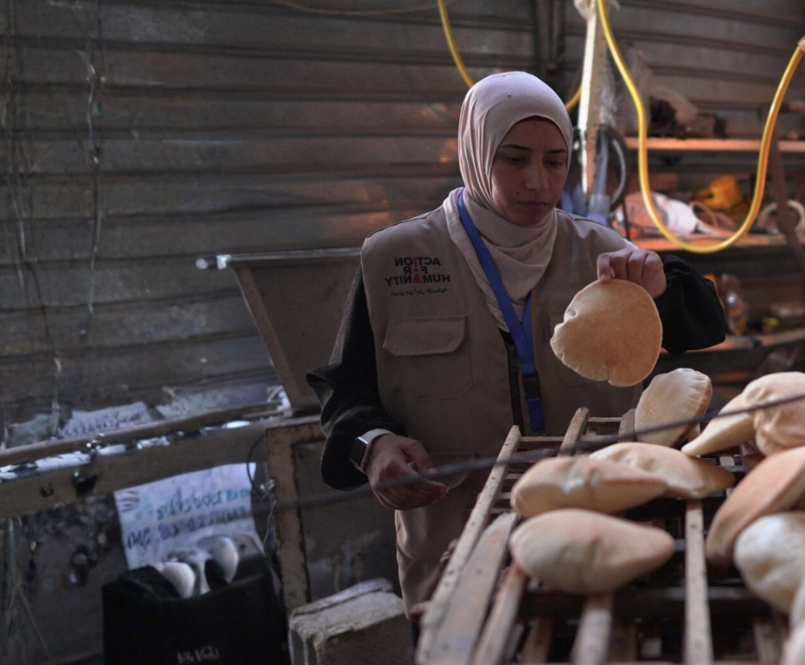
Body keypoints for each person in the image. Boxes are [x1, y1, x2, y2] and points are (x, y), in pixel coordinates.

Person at [308, 72, 727, 608]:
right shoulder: (394, 261)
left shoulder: (599, 250)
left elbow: (706, 325)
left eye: (555, 161)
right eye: (514, 158)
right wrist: (374, 447)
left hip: (596, 531)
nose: (538, 182)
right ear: (477, 152)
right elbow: (344, 391)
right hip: (455, 541)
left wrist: (661, 285)